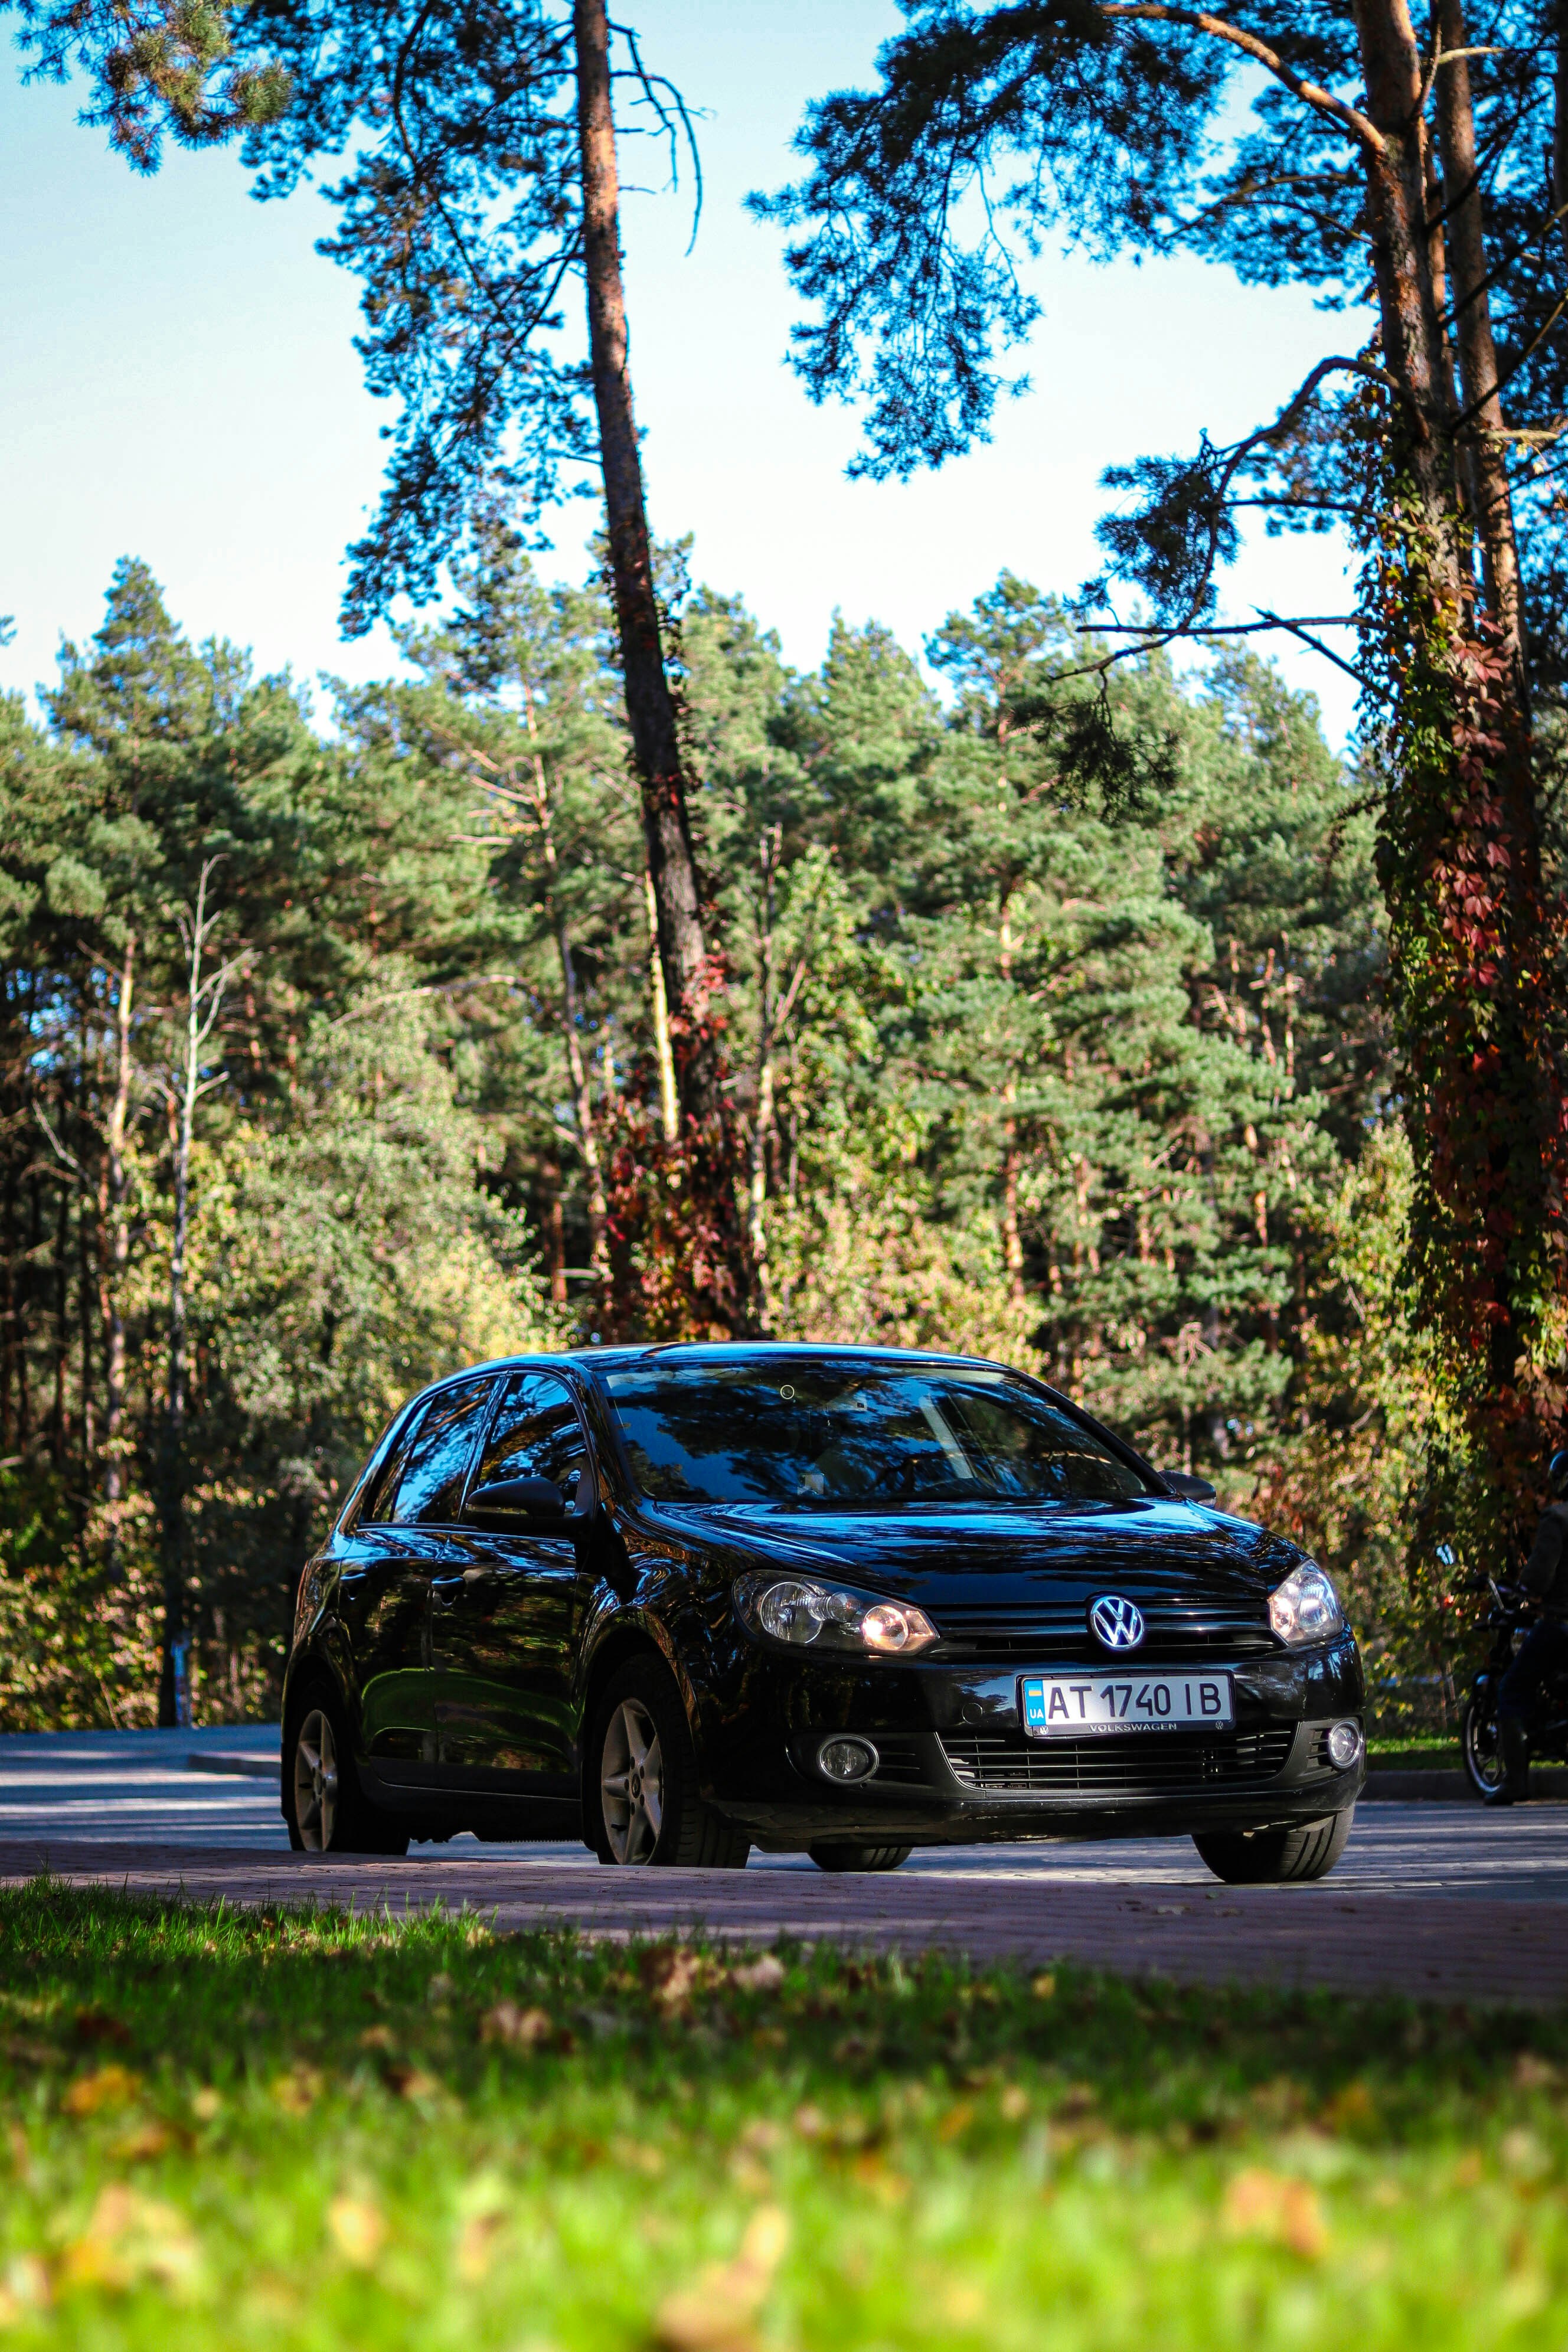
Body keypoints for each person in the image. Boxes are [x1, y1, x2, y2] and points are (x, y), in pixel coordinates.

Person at [1494, 1450, 1568, 1801]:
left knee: (1511, 1690)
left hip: (1561, 1626)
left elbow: (1540, 1575)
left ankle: (1515, 1783)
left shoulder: (1557, 1518)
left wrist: (1526, 1588)